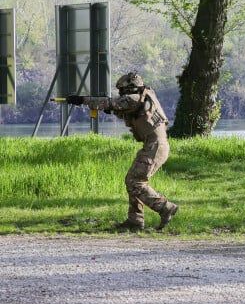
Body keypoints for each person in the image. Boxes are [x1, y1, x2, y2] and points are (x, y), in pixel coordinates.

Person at [67, 72, 178, 232]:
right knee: (132, 180)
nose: (121, 94)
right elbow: (125, 109)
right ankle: (135, 221)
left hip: (155, 147)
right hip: (153, 146)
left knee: (135, 182)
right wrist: (113, 109)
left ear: (130, 88)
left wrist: (82, 100)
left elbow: (110, 102)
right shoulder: (144, 97)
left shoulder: (134, 98)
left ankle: (165, 208)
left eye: (122, 91)